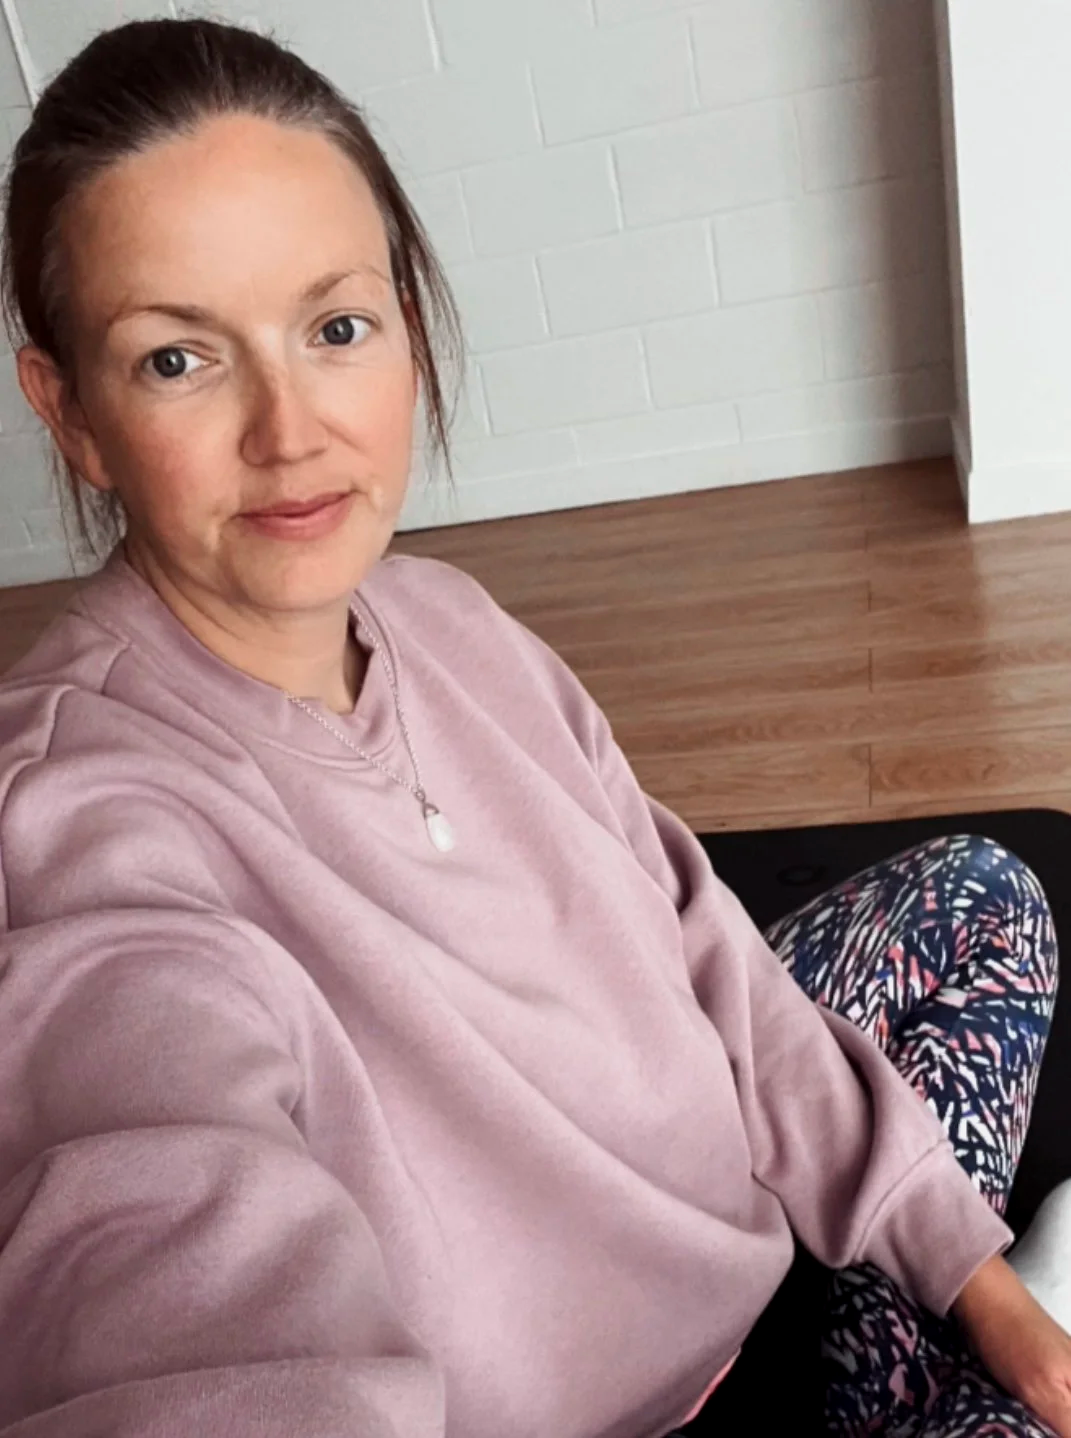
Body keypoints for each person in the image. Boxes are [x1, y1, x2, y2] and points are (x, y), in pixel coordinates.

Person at [0, 16, 1067, 1438]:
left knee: (987, 890)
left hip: (731, 1234)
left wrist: (972, 1274)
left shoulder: (449, 616)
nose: (291, 430)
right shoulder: (72, 823)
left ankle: (910, 1329)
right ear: (67, 412)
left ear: (407, 323)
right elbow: (169, 1243)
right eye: (178, 361)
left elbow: (701, 945)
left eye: (335, 329)